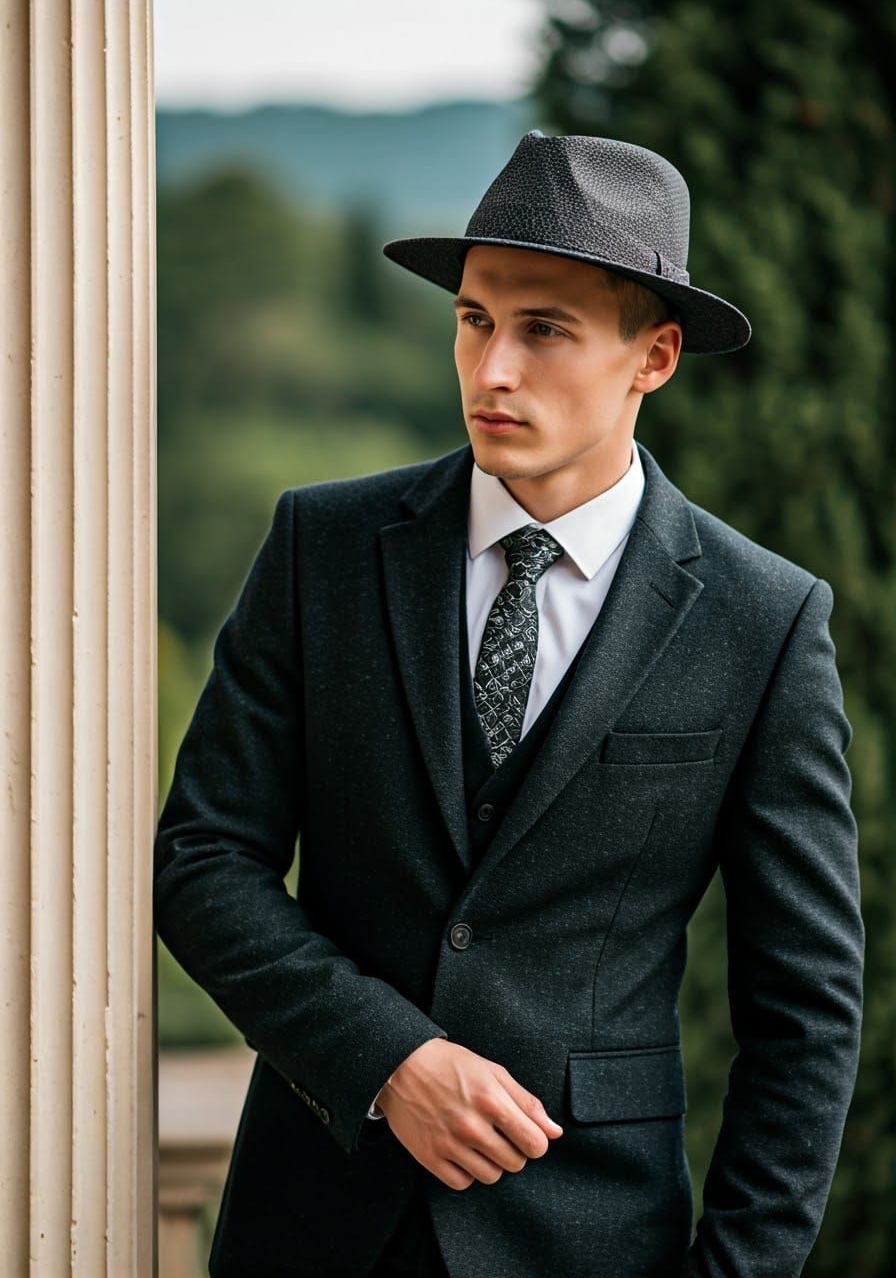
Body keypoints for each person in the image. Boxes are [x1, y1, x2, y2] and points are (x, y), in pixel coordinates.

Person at [153, 131, 864, 1278]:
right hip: (313, 1225)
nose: (490, 370)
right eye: (474, 319)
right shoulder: (321, 548)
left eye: (543, 330)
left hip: (590, 1239)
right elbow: (201, 858)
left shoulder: (761, 620)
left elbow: (804, 1012)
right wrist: (386, 1056)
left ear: (655, 356)